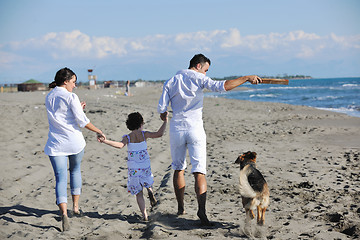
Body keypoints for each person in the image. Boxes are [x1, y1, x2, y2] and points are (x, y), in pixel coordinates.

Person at [157, 53, 262, 225]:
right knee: (199, 171)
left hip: (177, 128)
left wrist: (165, 115)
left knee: (178, 168)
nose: (205, 73)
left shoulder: (171, 81)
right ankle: (202, 211)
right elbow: (222, 86)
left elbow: (162, 109)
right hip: (195, 129)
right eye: (206, 69)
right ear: (198, 66)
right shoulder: (198, 78)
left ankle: (181, 207)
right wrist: (246, 78)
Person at [44, 67, 105, 231]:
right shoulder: (71, 96)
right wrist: (98, 130)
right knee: (75, 171)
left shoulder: (49, 96)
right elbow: (82, 122)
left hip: (56, 144)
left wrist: (78, 107)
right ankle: (75, 208)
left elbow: (61, 115)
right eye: (73, 82)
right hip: (74, 142)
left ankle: (63, 213)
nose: (75, 86)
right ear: (65, 81)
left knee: (60, 178)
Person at [98, 111, 168, 221]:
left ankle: (144, 215)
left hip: (133, 168)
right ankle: (149, 189)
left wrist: (105, 141)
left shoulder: (128, 137)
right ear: (141, 123)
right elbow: (159, 134)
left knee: (138, 193)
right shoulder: (145, 134)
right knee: (147, 181)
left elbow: (120, 145)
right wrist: (165, 122)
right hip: (145, 165)